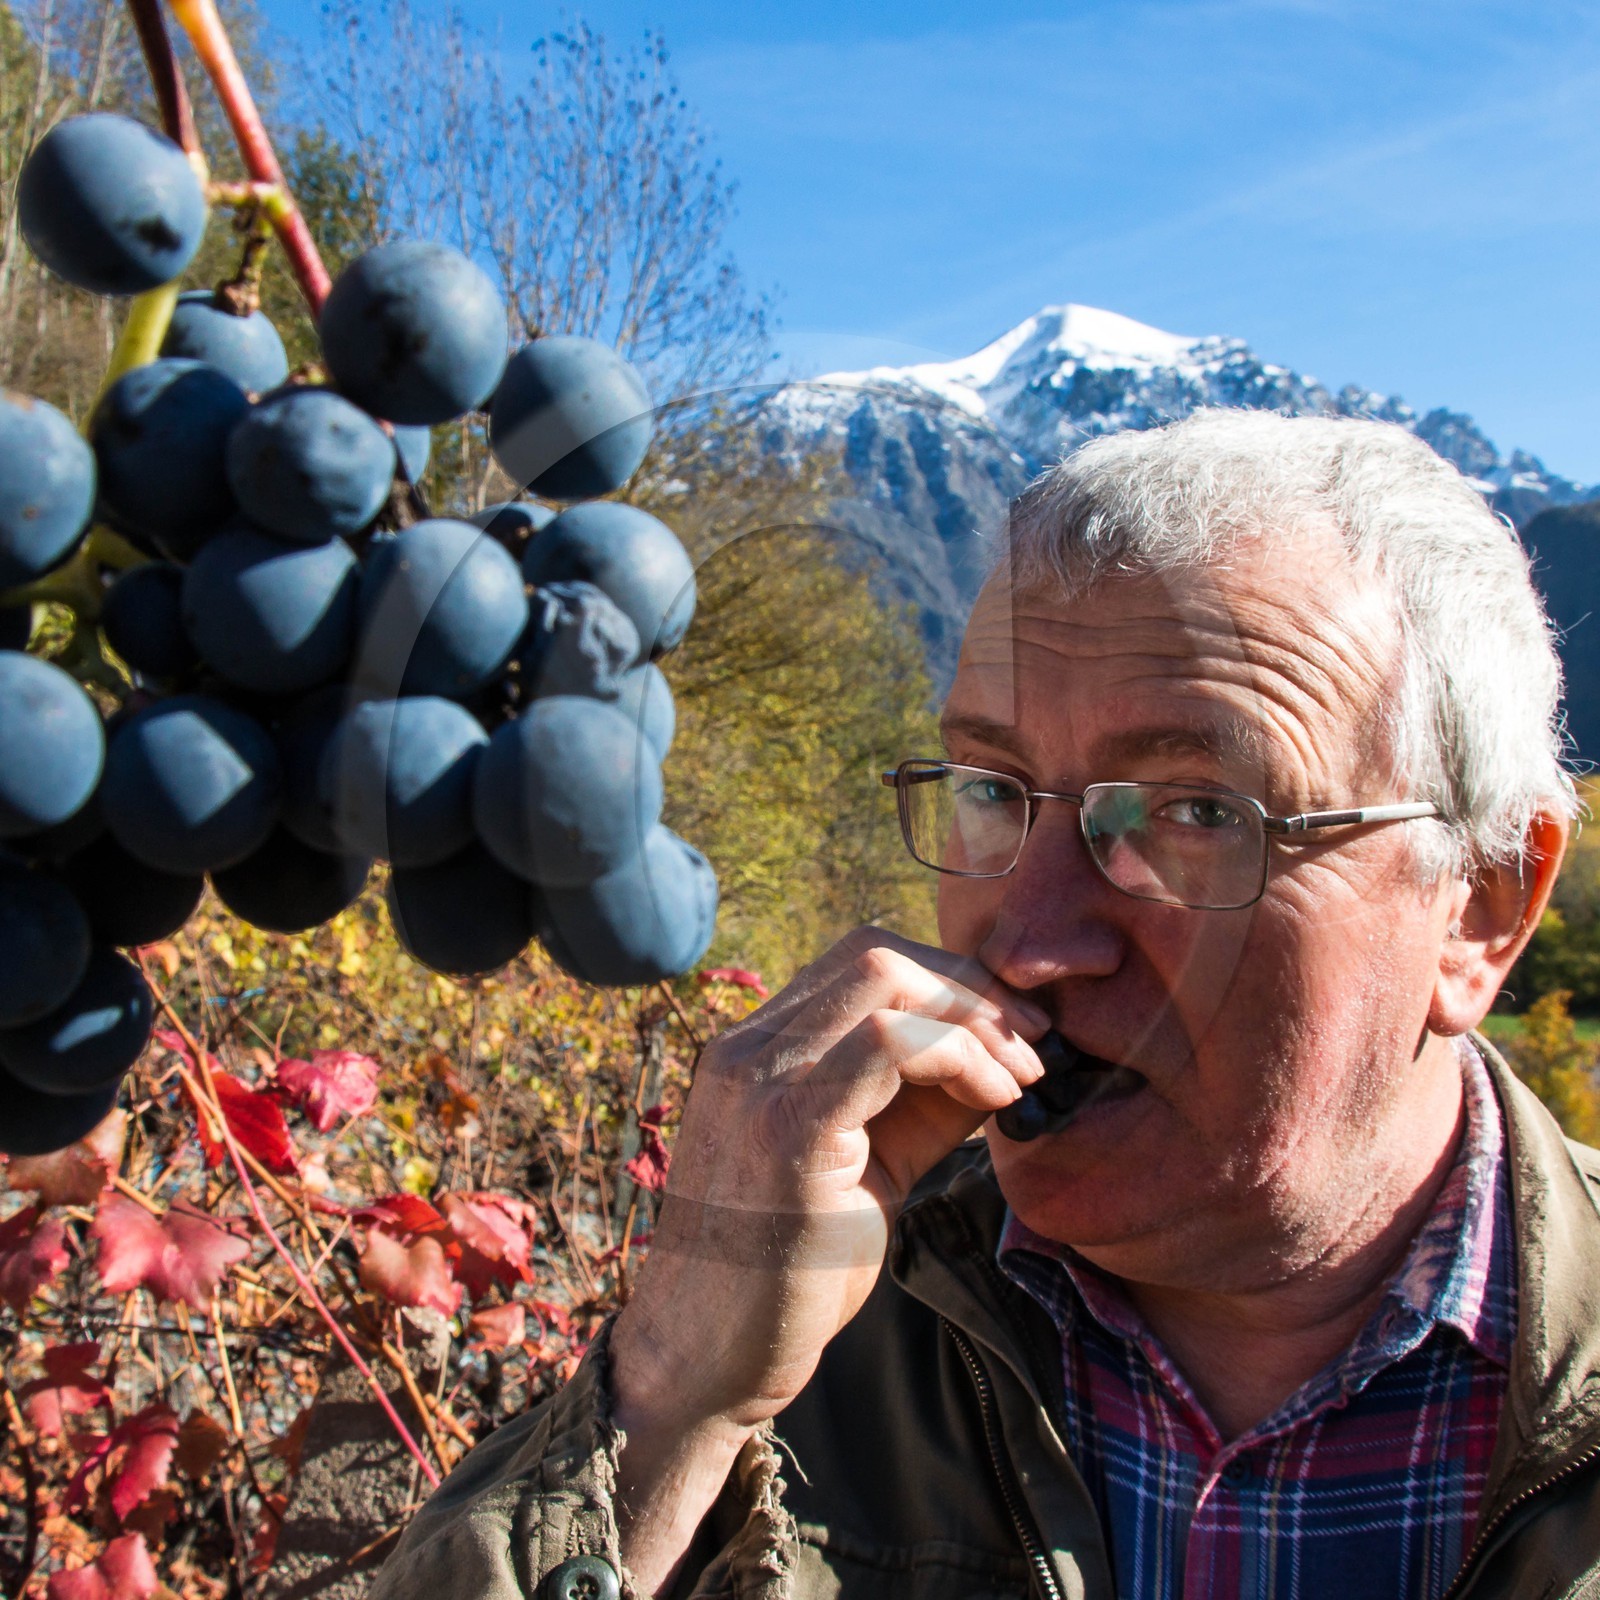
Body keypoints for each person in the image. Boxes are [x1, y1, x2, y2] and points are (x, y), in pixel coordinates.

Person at [370, 410, 1600, 1600]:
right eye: (993, 788)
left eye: (1197, 812)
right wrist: (672, 1400)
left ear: (1480, 904)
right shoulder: (795, 1320)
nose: (1031, 937)